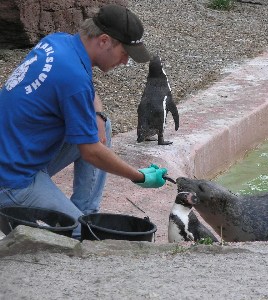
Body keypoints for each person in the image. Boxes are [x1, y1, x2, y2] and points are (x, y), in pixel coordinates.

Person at [0, 4, 168, 238]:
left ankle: (85, 211)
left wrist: (98, 115)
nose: (124, 62)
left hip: (17, 153)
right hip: (12, 181)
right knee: (85, 234)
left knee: (103, 125)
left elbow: (86, 87)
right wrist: (138, 176)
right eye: (125, 54)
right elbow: (91, 152)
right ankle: (83, 227)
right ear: (104, 41)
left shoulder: (58, 42)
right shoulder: (73, 78)